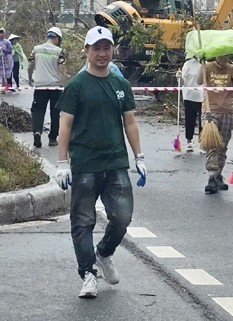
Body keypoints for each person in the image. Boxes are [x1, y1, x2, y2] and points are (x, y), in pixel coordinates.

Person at [56, 25, 145, 299]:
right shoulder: (76, 86)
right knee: (83, 221)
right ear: (86, 51)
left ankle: (104, 253)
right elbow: (65, 126)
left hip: (116, 162)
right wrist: (62, 162)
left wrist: (139, 156)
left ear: (112, 50)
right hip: (85, 164)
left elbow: (129, 122)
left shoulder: (120, 85)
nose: (102, 53)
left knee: (122, 217)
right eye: (96, 48)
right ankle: (88, 274)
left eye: (106, 48)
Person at [198, 52, 233, 194]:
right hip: (210, 110)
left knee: (223, 145)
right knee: (211, 144)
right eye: (220, 54)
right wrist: (201, 64)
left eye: (226, 55)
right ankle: (211, 177)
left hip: (227, 111)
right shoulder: (208, 66)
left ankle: (218, 175)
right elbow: (199, 81)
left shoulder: (231, 68)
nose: (223, 57)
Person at [28, 27, 67, 148]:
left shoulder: (36, 49)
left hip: (40, 86)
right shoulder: (59, 51)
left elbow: (30, 66)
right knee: (55, 112)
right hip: (55, 87)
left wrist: (30, 79)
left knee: (38, 110)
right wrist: (63, 82)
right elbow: (62, 70)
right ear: (57, 38)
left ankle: (37, 132)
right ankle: (52, 138)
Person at [178, 56, 204, 154]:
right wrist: (179, 77)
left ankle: (202, 143)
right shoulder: (188, 64)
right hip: (189, 96)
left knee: (203, 121)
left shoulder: (205, 63)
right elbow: (182, 82)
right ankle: (189, 141)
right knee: (190, 119)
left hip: (202, 96)